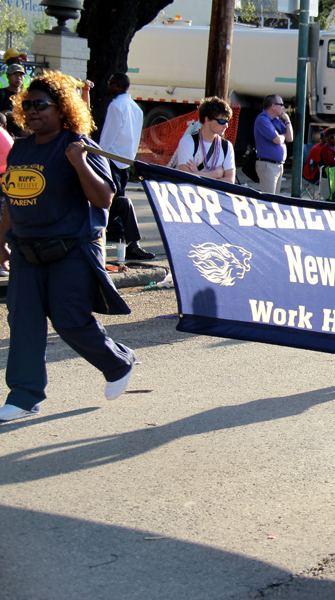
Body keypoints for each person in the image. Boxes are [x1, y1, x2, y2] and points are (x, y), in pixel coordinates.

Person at [0, 71, 136, 422]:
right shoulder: (21, 148)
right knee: (24, 321)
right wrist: (0, 240)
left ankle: (118, 362)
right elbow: (14, 199)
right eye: (26, 105)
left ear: (61, 109)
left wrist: (79, 163)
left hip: (71, 249)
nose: (31, 111)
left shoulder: (79, 145)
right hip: (28, 251)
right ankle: (24, 394)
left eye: (40, 105)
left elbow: (104, 199)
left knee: (70, 320)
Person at [98, 73, 154, 261]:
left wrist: (100, 155)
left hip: (111, 159)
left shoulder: (116, 106)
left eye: (111, 84)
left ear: (119, 86)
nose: (108, 87)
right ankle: (125, 242)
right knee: (119, 202)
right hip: (125, 160)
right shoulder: (136, 108)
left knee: (112, 202)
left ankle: (123, 241)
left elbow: (108, 135)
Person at [177, 96, 235, 184]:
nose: (226, 126)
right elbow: (187, 178)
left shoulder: (227, 146)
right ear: (207, 119)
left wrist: (197, 174)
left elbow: (230, 181)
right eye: (222, 121)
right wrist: (216, 173)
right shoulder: (187, 142)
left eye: (227, 121)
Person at [253, 94, 292, 193]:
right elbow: (277, 140)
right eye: (281, 105)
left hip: (278, 165)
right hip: (268, 165)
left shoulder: (277, 120)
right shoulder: (262, 119)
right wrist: (282, 136)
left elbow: (290, 138)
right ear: (273, 106)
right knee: (269, 198)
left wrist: (287, 121)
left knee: (275, 198)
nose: (283, 108)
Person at [0, 63, 27, 137]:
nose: (19, 78)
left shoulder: (26, 96)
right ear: (8, 76)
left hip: (23, 135)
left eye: (21, 75)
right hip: (6, 135)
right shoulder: (2, 93)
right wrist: (3, 115)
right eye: (15, 75)